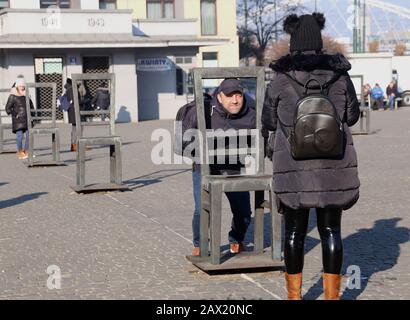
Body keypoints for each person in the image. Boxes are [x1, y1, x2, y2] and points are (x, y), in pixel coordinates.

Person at [262, 13, 360, 300]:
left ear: (293, 42)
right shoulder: (340, 76)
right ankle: (332, 296)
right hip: (334, 166)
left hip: (293, 165)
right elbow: (352, 117)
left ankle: (294, 297)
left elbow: (267, 120)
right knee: (331, 231)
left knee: (294, 233)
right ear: (319, 43)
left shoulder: (281, 79)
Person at [182, 79, 258, 257]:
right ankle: (200, 243)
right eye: (230, 96)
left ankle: (236, 239)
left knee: (244, 211)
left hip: (233, 167)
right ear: (219, 97)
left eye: (238, 95)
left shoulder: (251, 113)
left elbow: (259, 140)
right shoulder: (204, 111)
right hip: (205, 167)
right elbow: (186, 141)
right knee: (203, 208)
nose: (235, 100)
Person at [5, 76, 34, 160]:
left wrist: (33, 117)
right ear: (17, 85)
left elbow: (31, 107)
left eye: (23, 85)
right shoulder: (12, 96)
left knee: (29, 136)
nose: (22, 86)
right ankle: (20, 152)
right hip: (18, 120)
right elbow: (7, 108)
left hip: (27, 119)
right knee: (20, 136)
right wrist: (15, 114)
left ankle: (25, 151)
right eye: (20, 85)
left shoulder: (27, 94)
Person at [64, 78, 93, 151]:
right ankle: (77, 145)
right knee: (79, 129)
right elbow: (76, 101)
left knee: (74, 129)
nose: (79, 84)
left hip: (72, 112)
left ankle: (74, 145)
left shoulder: (69, 88)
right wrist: (86, 100)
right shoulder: (72, 89)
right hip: (76, 111)